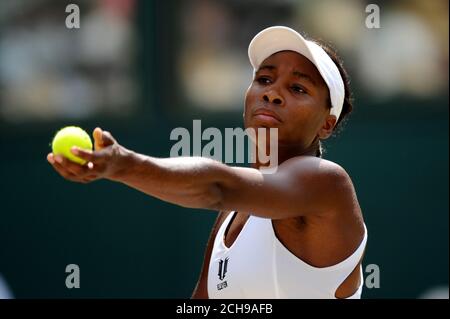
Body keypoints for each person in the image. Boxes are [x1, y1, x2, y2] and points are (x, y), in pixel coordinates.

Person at [47, 26, 367, 299]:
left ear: (327, 123)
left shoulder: (327, 183)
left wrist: (124, 165)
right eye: (265, 79)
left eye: (297, 88)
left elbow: (216, 186)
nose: (272, 94)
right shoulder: (231, 215)